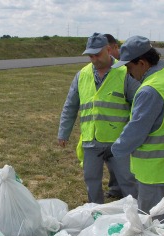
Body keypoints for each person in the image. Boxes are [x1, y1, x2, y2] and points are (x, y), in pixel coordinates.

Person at [110, 35, 164, 236]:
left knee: (154, 219)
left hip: (154, 168)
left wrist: (114, 149)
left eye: (129, 69)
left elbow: (136, 130)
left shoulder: (149, 90)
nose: (129, 75)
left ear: (143, 63)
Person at [58, 32, 139, 204]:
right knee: (91, 181)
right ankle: (96, 214)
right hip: (90, 140)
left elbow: (137, 104)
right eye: (90, 55)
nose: (94, 59)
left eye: (98, 54)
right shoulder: (82, 75)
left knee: (127, 180)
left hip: (118, 141)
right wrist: (63, 132)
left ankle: (136, 214)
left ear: (108, 49)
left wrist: (133, 136)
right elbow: (70, 106)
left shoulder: (124, 72)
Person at [104, 33, 122, 199]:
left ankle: (127, 191)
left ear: (115, 47)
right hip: (108, 127)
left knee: (122, 162)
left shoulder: (125, 65)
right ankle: (116, 188)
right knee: (111, 160)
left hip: (122, 126)